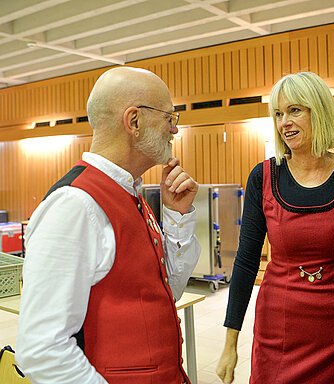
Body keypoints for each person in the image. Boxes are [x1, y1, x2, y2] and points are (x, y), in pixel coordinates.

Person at [16, 66, 201, 384]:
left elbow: (166, 291)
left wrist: (176, 217)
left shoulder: (129, 192)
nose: (174, 130)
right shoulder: (75, 205)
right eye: (170, 118)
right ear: (134, 121)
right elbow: (41, 350)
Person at [216, 71, 334, 383]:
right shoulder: (263, 177)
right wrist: (230, 343)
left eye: (295, 110)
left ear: (318, 111)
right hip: (277, 332)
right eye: (278, 114)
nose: (284, 123)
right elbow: (247, 260)